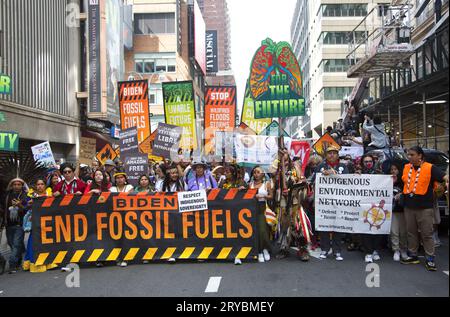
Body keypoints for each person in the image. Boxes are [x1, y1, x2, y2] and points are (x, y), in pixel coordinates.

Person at [400, 146, 448, 271]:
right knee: (411, 233)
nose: (409, 157)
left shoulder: (430, 167)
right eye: (408, 155)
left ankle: (430, 258)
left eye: (412, 154)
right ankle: (413, 255)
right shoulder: (406, 167)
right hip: (409, 206)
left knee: (427, 234)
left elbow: (445, 178)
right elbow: (402, 183)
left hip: (425, 207)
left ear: (420, 156)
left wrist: (445, 185)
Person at [313, 146, 349, 261]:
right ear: (326, 155)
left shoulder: (343, 167)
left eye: (334, 153)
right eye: (329, 153)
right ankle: (324, 249)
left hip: (339, 201)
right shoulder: (320, 166)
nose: (332, 155)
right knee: (324, 225)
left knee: (338, 224)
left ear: (338, 155)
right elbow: (315, 181)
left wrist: (334, 174)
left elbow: (348, 181)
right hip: (324, 201)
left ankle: (337, 250)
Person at [23, 179, 57, 273]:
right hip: (36, 223)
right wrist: (28, 204)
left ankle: (49, 263)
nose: (40, 186)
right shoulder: (31, 196)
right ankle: (32, 263)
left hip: (48, 223)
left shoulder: (50, 194)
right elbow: (23, 205)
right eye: (38, 184)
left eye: (42, 184)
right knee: (33, 242)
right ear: (35, 186)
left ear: (45, 186)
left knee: (48, 242)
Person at [358, 154, 384, 263]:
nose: (368, 163)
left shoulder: (379, 173)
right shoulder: (359, 174)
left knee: (377, 228)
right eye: (365, 162)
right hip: (364, 206)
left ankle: (375, 250)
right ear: (362, 163)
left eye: (370, 161)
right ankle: (368, 252)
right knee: (366, 229)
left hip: (377, 206)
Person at [1, 178, 30, 273]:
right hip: (8, 224)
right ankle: (18, 260)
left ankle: (12, 263)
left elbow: (27, 209)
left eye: (19, 184)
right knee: (11, 244)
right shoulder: (6, 196)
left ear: (22, 185)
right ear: (12, 185)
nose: (17, 186)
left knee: (16, 244)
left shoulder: (25, 196)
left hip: (20, 224)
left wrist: (19, 205)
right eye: (15, 184)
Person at [248, 166, 273, 263]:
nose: (256, 174)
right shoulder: (250, 184)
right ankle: (258, 251)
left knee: (263, 230)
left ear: (262, 174)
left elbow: (271, 196)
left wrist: (263, 196)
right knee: (255, 231)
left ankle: (265, 249)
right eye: (254, 172)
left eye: (258, 172)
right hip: (252, 208)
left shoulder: (267, 184)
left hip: (262, 208)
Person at [109, 172, 134, 267]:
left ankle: (127, 257)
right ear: (115, 180)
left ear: (125, 179)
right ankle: (117, 256)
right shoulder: (111, 189)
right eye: (118, 178)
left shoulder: (129, 187)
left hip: (128, 216)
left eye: (121, 177)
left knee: (127, 238)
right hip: (115, 217)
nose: (120, 179)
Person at [390, 162, 408, 262]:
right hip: (392, 211)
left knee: (403, 232)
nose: (393, 171)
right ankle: (396, 250)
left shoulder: (403, 181)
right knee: (394, 231)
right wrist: (391, 183)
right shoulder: (387, 181)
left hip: (403, 210)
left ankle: (403, 249)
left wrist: (401, 195)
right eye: (392, 170)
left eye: (395, 169)